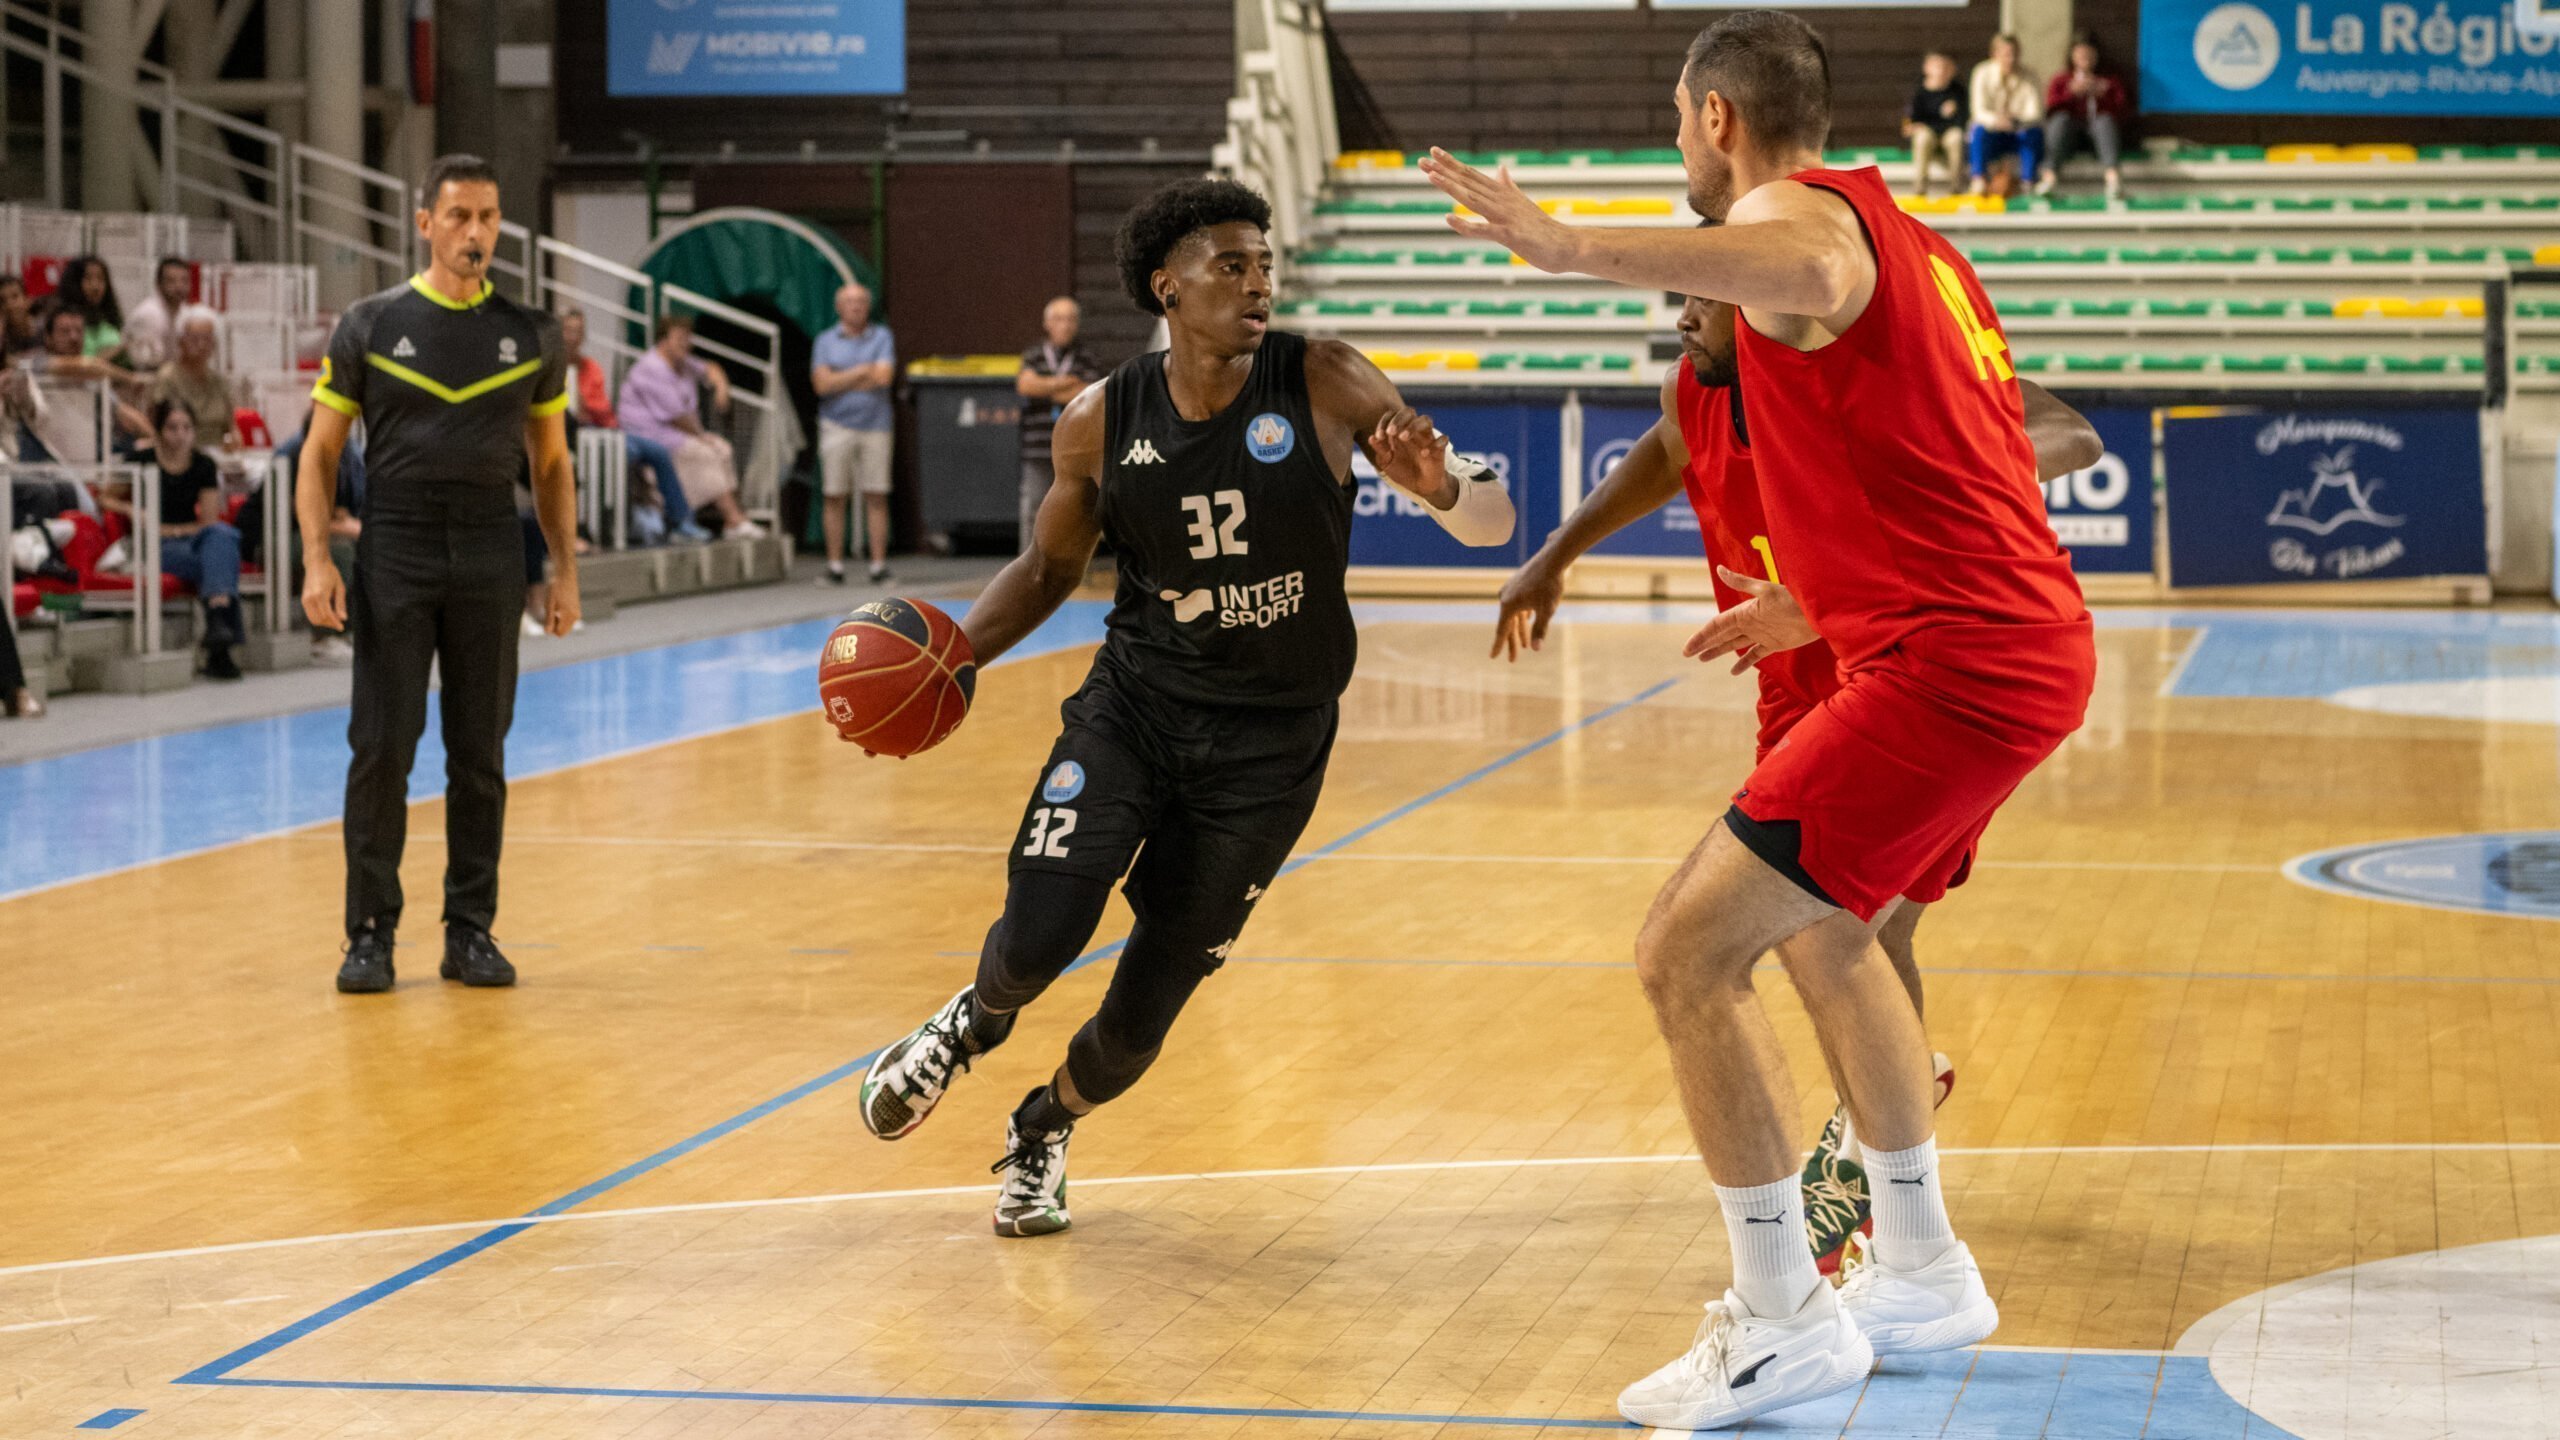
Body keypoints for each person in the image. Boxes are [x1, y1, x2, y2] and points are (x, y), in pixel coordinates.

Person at [1423, 9, 2098, 1427]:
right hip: (1989, 643)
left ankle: (1784, 1320)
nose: (1681, 147)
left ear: (1717, 119)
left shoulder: (1804, 224)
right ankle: (1922, 1268)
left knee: (1684, 953)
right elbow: (1957, 461)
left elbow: (1806, 267)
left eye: (1681, 125)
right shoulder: (1923, 248)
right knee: (1829, 933)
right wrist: (1826, 599)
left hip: (1953, 666)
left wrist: (1568, 246)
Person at [852, 178, 1515, 1239]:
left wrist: (1439, 488)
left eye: (1265, 267)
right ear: (1168, 287)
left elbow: (1493, 521)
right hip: (1136, 711)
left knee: (1136, 1023)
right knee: (1037, 939)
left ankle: (1042, 1127)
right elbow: (1048, 568)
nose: (1258, 285)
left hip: (1271, 747)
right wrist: (953, 658)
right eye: (1231, 266)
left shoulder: (1324, 377)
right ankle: (969, 1024)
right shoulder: (1098, 420)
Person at [1492, 280, 2100, 1273]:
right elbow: (1665, 454)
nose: (1683, 317)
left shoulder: (1872, 376)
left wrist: (1937, 491)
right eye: (1679, 297)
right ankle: (1894, 1132)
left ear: (1770, 304)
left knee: (1843, 928)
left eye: (1704, 299)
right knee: (1829, 929)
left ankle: (1876, 1175)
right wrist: (1557, 553)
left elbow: (2069, 432)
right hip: (1791, 684)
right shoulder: (1693, 388)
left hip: (1909, 673)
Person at [296, 153, 578, 996]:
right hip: (397, 542)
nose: (474, 232)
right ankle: (369, 934)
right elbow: (319, 453)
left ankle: (470, 930)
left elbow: (551, 464)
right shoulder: (370, 325)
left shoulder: (534, 334)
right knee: (383, 746)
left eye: (487, 217)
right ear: (424, 223)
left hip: (492, 543)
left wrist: (564, 570)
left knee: (479, 750)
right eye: (458, 216)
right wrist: (316, 557)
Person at [106, 398, 245, 679]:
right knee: (221, 555)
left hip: (189, 538)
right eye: (172, 428)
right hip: (155, 547)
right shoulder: (141, 461)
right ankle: (219, 636)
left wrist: (172, 530)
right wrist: (131, 509)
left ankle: (218, 627)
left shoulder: (204, 464)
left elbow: (209, 522)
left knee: (222, 536)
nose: (180, 435)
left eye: (187, 428)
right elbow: (105, 497)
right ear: (159, 430)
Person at [561, 309, 706, 546]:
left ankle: (679, 520)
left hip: (606, 431)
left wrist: (586, 405)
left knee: (657, 452)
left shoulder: (591, 367)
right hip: (574, 434)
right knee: (621, 454)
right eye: (568, 330)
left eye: (578, 331)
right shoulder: (553, 368)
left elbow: (602, 409)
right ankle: (605, 527)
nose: (573, 337)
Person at [618, 315, 763, 540]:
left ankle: (732, 520)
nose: (685, 344)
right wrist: (701, 436)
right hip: (649, 435)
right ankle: (732, 517)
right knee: (706, 451)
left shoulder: (683, 363)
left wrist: (721, 388)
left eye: (688, 338)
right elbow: (677, 417)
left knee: (723, 448)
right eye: (679, 338)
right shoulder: (651, 367)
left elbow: (712, 368)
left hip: (676, 433)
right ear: (663, 340)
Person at [810, 281, 896, 584]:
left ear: (868, 306)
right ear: (839, 307)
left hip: (876, 426)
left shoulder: (882, 337)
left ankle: (878, 566)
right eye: (850, 301)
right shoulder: (825, 341)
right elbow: (822, 385)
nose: (856, 307)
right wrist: (862, 371)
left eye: (861, 301)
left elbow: (883, 377)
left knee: (876, 494)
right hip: (835, 425)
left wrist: (839, 378)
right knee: (834, 495)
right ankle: (835, 566)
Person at [275, 403, 365, 664]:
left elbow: (345, 507)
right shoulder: (293, 455)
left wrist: (348, 522)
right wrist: (348, 527)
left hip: (327, 533)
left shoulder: (349, 453)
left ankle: (352, 630)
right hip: (279, 539)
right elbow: (305, 516)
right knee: (338, 552)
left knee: (367, 548)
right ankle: (324, 635)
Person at [1015, 296, 1106, 553]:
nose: (1064, 325)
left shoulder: (1087, 357)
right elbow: (1025, 385)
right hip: (1038, 447)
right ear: (1047, 323)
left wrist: (1044, 386)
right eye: (1058, 319)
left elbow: (1089, 393)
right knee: (1034, 505)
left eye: (1070, 319)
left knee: (1076, 509)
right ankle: (1029, 560)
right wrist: (1063, 383)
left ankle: (1069, 562)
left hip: (1075, 449)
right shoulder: (1033, 355)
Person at [2040, 32, 2127, 198]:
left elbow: (2123, 110)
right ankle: (2049, 178)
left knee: (2104, 122)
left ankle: (2113, 180)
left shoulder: (2109, 80)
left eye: (2089, 53)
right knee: (2060, 121)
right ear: (2072, 55)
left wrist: (2102, 95)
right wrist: (2071, 93)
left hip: (2099, 137)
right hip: (2069, 137)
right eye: (2080, 53)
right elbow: (2050, 110)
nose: (2084, 57)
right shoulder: (2061, 80)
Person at [1966, 33, 2044, 196]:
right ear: (1994, 54)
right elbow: (1978, 110)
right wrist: (1996, 120)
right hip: (1992, 131)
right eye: (2006, 54)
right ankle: (1978, 179)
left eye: (2014, 54)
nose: (2011, 59)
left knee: (2033, 133)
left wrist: (2015, 120)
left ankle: (2028, 181)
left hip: (2018, 131)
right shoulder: (1982, 72)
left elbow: (2035, 111)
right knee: (1977, 130)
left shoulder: (2030, 75)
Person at [150, 312, 242, 448]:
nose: (201, 344)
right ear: (180, 341)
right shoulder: (167, 377)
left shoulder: (219, 381)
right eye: (194, 339)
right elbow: (155, 424)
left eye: (207, 339)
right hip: (179, 452)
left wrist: (234, 439)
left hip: (216, 451)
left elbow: (231, 427)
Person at [1902, 52, 1967, 199]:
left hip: (1948, 135)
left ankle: (1956, 188)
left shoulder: (1957, 91)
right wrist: (1918, 127)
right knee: (1922, 137)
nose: (1941, 71)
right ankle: (1920, 189)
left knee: (1956, 137)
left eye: (1944, 67)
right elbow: (1909, 125)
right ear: (1927, 68)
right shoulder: (1918, 91)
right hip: (1928, 135)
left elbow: (1963, 120)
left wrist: (1951, 114)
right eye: (1937, 66)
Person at [121, 257, 196, 371]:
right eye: (172, 281)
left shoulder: (186, 313)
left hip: (171, 374)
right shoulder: (149, 314)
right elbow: (148, 363)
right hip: (140, 375)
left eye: (184, 281)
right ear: (159, 285)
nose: (179, 286)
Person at [57, 256, 127, 363]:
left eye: (101, 279)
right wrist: (115, 351)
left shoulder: (109, 317)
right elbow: (71, 363)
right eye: (88, 279)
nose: (95, 286)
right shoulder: (65, 319)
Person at [1, 275, 44, 359]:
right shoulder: (2, 335)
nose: (9, 305)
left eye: (15, 296)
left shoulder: (43, 328)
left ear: (27, 299)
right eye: (2, 300)